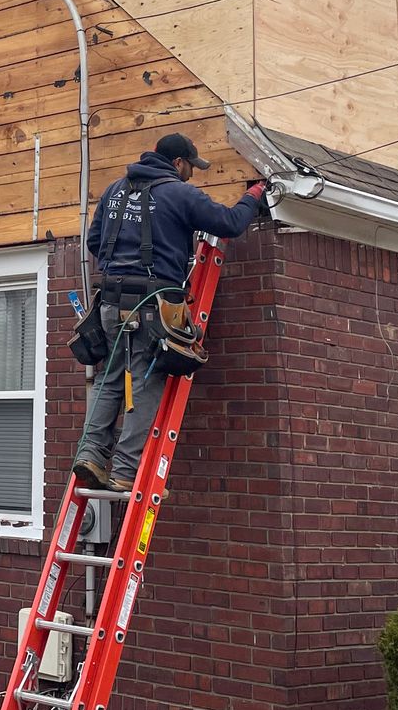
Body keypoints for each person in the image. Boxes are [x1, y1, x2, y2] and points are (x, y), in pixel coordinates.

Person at [72, 132, 271, 490]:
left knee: (110, 379)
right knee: (145, 380)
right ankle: (123, 472)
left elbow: (93, 240)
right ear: (178, 163)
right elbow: (228, 223)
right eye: (191, 167)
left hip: (111, 301)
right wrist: (252, 195)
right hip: (153, 304)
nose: (192, 175)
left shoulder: (115, 190)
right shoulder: (179, 192)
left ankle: (90, 454)